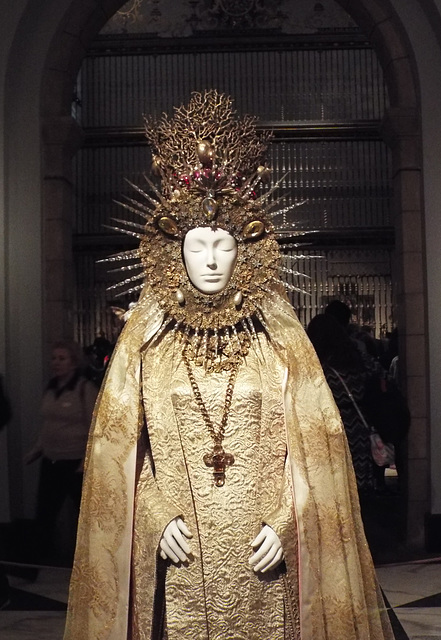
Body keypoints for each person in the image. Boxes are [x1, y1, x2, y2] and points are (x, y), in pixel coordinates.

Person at [64, 91, 394, 640]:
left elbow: (312, 448)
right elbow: (121, 453)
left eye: (223, 244)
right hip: (180, 556)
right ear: (176, 250)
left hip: (261, 553)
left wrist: (289, 521)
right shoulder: (147, 341)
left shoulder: (279, 339)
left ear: (245, 250)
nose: (212, 259)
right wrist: (151, 515)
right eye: (199, 244)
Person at [25, 340, 98, 563]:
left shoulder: (85, 388)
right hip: (52, 461)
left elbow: (95, 428)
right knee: (44, 515)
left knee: (84, 517)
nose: (56, 363)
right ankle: (36, 565)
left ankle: (90, 566)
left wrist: (85, 461)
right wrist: (37, 450)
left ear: (73, 363)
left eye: (62, 358)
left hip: (75, 464)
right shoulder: (51, 387)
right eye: (54, 358)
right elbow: (48, 425)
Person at [307, 313, 374, 495]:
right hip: (360, 422)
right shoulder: (356, 356)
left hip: (328, 426)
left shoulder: (316, 364)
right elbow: (379, 374)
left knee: (335, 485)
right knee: (359, 485)